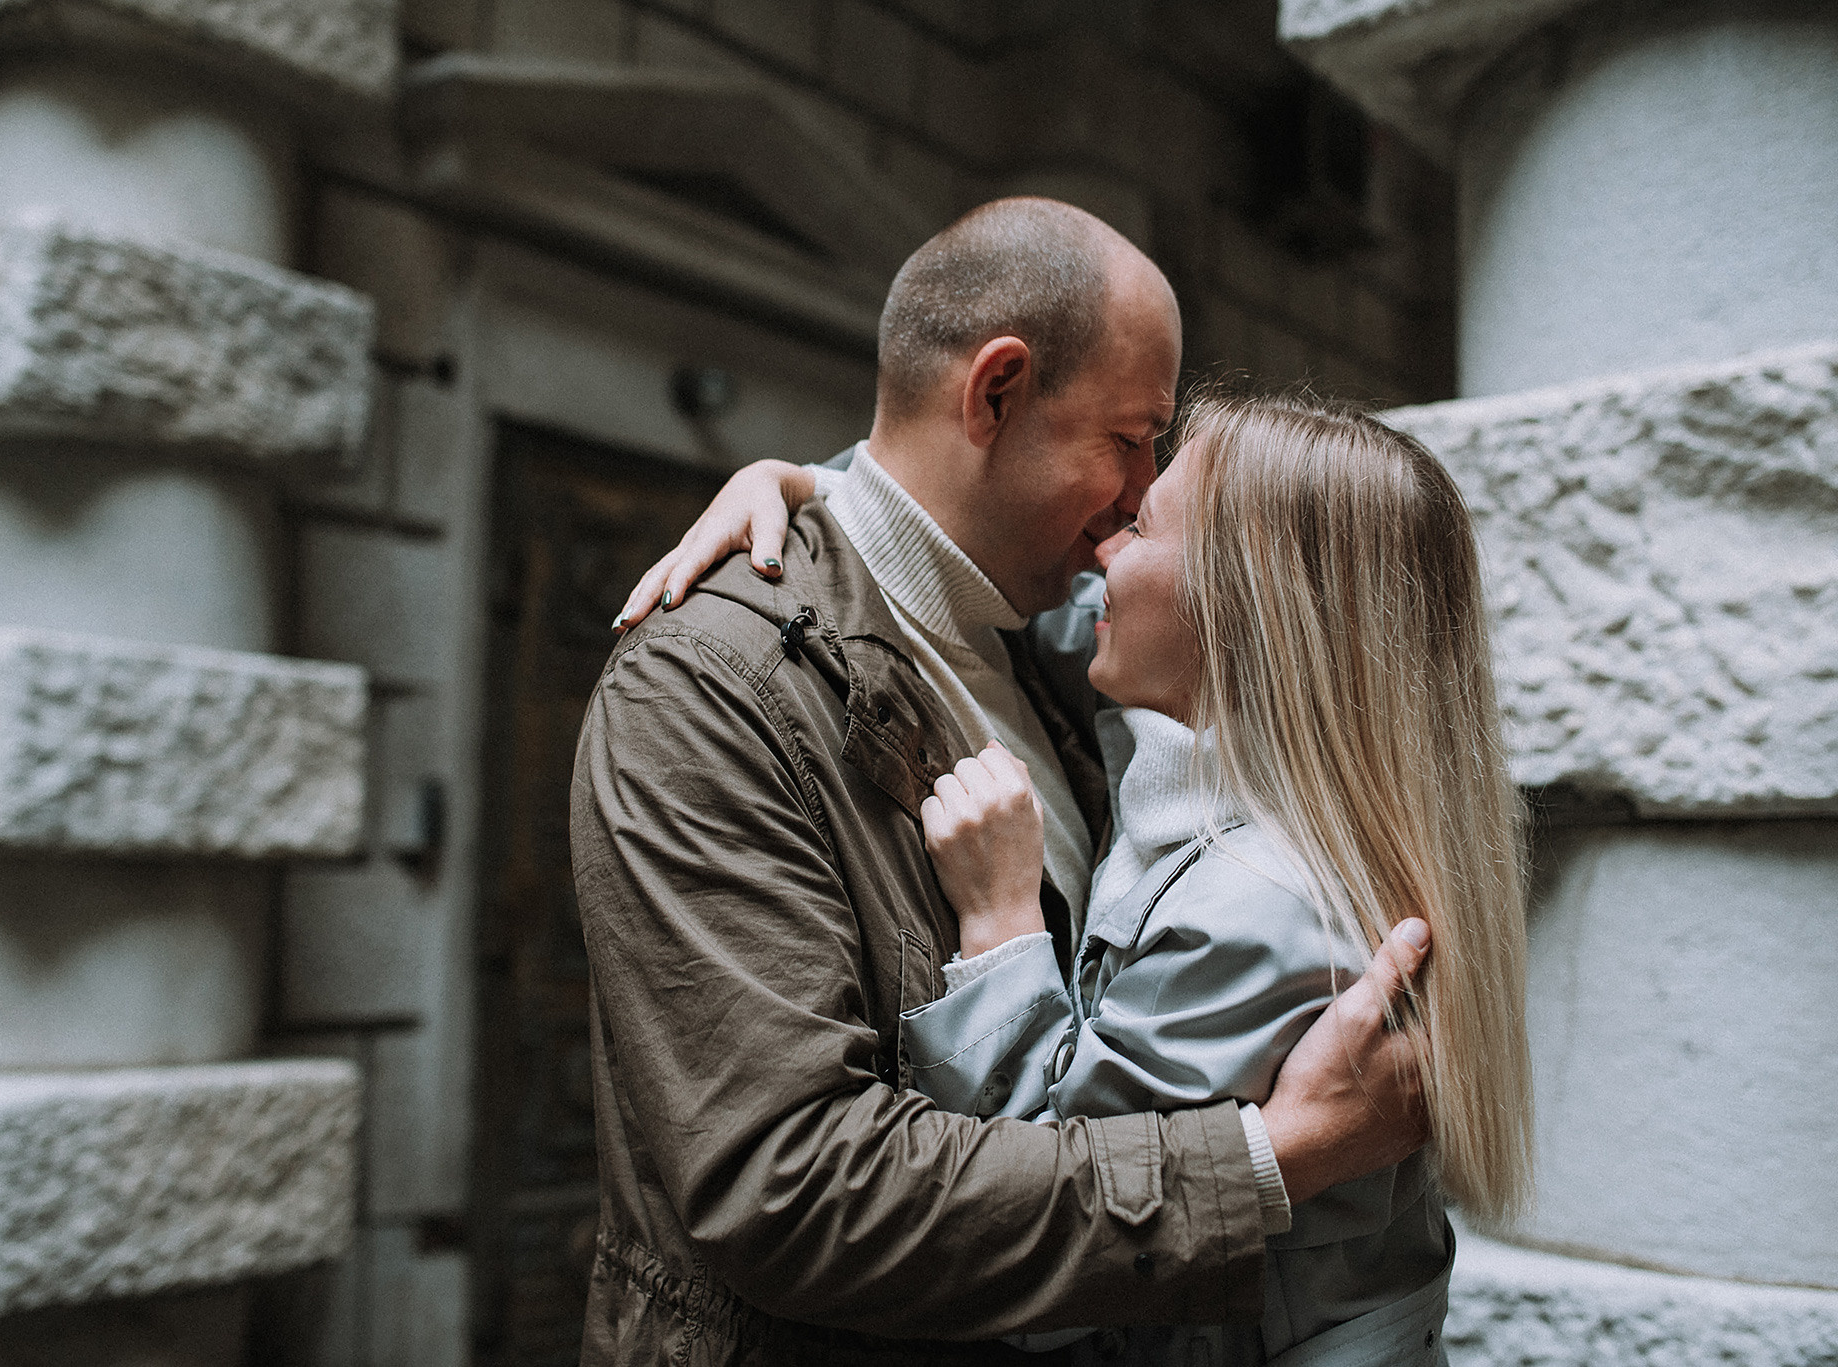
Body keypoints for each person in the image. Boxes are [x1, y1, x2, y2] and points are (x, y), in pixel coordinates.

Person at [572, 198, 1433, 1367]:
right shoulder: (704, 684)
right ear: (994, 392)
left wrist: (811, 477)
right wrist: (1272, 1157)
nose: (1139, 498)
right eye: (1132, 439)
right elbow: (787, 1188)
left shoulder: (1051, 634)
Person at [903, 393, 1534, 1364]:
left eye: (1142, 525)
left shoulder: (1261, 907)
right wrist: (813, 492)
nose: (1101, 554)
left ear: (1240, 604)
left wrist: (999, 917)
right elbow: (993, 574)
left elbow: (1043, 1252)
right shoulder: (1226, 763)